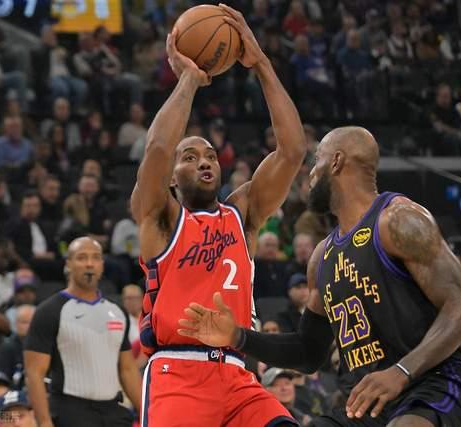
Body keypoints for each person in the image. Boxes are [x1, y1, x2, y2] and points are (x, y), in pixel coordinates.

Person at [179, 126, 461, 426]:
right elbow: (308, 352)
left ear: (336, 162)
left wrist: (402, 371)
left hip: (431, 386)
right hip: (367, 405)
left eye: (316, 161)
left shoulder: (398, 220)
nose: (310, 173)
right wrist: (237, 336)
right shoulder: (321, 257)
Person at [131, 6, 307, 427]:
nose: (204, 161)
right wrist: (190, 79)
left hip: (238, 374)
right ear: (171, 178)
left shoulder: (241, 214)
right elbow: (158, 149)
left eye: (210, 155)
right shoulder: (159, 218)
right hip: (179, 372)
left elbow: (292, 151)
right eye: (190, 157)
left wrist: (260, 63)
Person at [24, 237, 141, 427]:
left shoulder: (117, 312)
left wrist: (147, 413)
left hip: (113, 411)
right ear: (68, 264)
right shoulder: (49, 311)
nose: (89, 263)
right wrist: (44, 422)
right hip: (70, 412)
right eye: (81, 257)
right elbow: (34, 373)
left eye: (95, 257)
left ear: (102, 265)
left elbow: (127, 369)